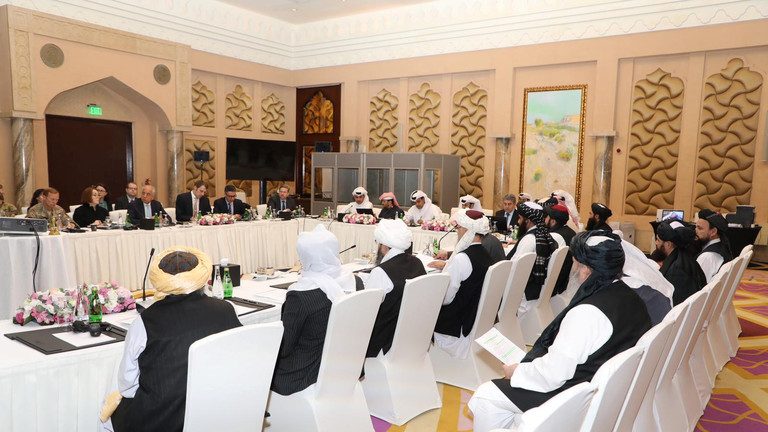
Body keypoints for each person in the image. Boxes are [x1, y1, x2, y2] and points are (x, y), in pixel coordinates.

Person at [468, 231, 651, 431]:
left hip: (573, 397)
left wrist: (517, 372)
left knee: (486, 395)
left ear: (586, 270)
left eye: (576, 264)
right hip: (605, 393)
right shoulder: (634, 299)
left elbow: (554, 374)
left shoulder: (586, 313)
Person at [108, 246, 241, 432]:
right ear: (201, 277)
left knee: (108, 410)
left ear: (161, 281)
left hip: (163, 421)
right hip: (218, 411)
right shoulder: (226, 309)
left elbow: (127, 386)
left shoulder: (145, 321)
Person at [271, 225, 363, 395]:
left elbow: (284, 348)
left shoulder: (301, 295)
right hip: (345, 364)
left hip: (302, 374)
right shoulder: (354, 282)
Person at [430, 209, 493, 358]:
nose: (457, 232)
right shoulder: (486, 255)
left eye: (458, 228)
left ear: (467, 230)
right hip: (474, 317)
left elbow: (446, 298)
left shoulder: (462, 259)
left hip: (457, 325)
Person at [362, 218, 426, 357]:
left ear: (384, 246)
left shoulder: (381, 272)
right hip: (413, 335)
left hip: (385, 340)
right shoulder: (417, 263)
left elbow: (367, 311)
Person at [506, 202, 563, 310]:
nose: (518, 222)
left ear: (527, 221)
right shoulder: (544, 235)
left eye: (520, 218)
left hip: (524, 296)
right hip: (539, 291)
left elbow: (514, 268)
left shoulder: (529, 239)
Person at [655, 220, 707, 305]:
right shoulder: (687, 256)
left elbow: (672, 303)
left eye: (658, 240)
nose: (656, 243)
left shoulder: (677, 270)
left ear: (668, 244)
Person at [544, 203, 576, 296]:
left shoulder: (553, 237)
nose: (545, 220)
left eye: (547, 217)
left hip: (554, 286)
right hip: (566, 282)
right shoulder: (572, 233)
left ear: (553, 221)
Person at [695, 209, 733, 282]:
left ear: (713, 232)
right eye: (695, 227)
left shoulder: (707, 256)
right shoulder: (722, 245)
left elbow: (697, 285)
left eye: (699, 228)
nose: (695, 231)